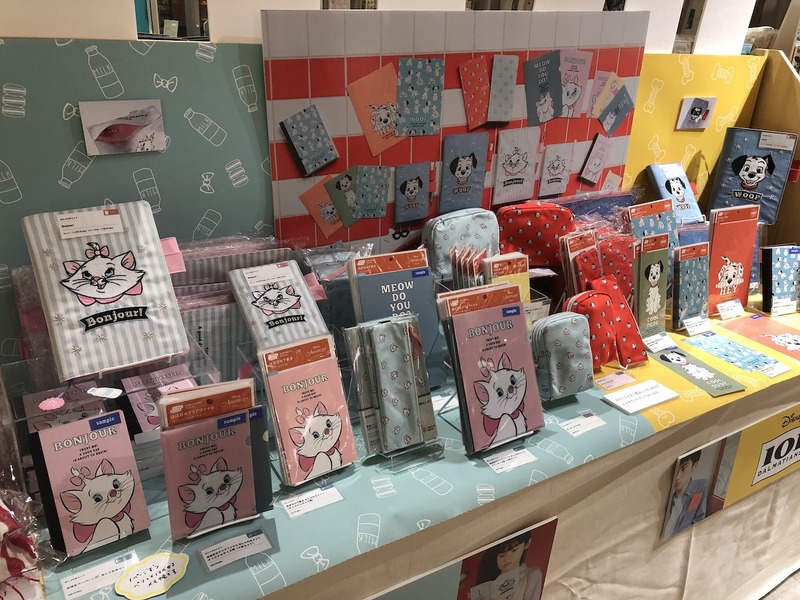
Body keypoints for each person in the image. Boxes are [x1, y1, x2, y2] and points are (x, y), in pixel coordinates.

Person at [470, 532, 543, 600]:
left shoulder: (532, 574)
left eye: (514, 550)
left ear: (527, 544)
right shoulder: (490, 580)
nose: (507, 559)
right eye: (502, 555)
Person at [663, 450, 708, 539]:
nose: (677, 476)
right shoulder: (665, 495)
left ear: (694, 466)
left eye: (683, 468)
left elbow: (698, 522)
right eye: (675, 469)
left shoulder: (699, 489)